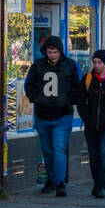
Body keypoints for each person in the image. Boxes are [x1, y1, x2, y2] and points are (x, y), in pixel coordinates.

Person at [24, 35, 83, 197]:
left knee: (58, 148)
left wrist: (68, 101)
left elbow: (80, 87)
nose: (52, 55)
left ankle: (60, 182)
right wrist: (36, 99)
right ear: (45, 51)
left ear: (61, 52)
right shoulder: (37, 66)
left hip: (62, 115)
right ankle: (51, 179)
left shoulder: (71, 66)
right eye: (50, 52)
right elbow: (28, 85)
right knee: (47, 150)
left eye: (55, 52)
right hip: (43, 115)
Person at [77, 49, 105, 199]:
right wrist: (86, 118)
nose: (96, 65)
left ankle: (101, 185)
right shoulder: (87, 79)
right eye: (94, 62)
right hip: (90, 125)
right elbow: (81, 102)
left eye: (99, 62)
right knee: (94, 156)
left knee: (103, 154)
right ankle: (96, 183)